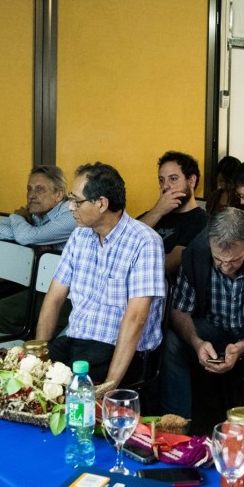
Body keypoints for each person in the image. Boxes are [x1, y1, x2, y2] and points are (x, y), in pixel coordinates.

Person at [159, 208, 244, 446]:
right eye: (218, 259)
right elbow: (179, 310)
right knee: (172, 341)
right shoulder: (196, 251)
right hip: (215, 326)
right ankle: (178, 431)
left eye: (234, 260)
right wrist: (196, 342)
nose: (225, 267)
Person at [34, 163, 166, 387]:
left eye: (76, 200)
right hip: (74, 337)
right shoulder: (80, 235)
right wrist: (38, 356)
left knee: (66, 394)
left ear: (102, 203)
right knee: (30, 382)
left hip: (116, 348)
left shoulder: (144, 242)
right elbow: (55, 297)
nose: (70, 207)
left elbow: (136, 318)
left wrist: (110, 385)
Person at [0, 165, 76, 334]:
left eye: (40, 189)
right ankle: (16, 354)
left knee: (6, 313)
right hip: (44, 287)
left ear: (58, 194)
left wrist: (18, 219)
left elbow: (25, 237)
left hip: (72, 295)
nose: (31, 195)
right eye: (29, 189)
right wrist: (25, 227)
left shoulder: (70, 216)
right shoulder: (37, 214)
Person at [137, 151, 209, 277]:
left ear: (191, 181)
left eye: (173, 179)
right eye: (161, 180)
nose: (165, 186)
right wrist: (158, 211)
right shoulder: (156, 213)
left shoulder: (202, 221)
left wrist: (132, 257)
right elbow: (124, 240)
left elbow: (170, 264)